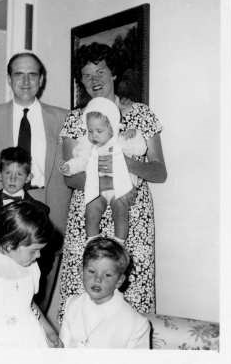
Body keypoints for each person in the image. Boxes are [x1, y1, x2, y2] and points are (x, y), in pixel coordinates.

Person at [58, 42, 167, 321]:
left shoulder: (140, 114)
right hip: (89, 214)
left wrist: (124, 165)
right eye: (86, 75)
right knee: (82, 299)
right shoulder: (75, 119)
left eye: (100, 71)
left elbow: (159, 172)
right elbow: (70, 178)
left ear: (114, 73)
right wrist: (104, 178)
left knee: (132, 299)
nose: (94, 80)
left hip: (132, 215)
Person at [0, 52, 71, 313]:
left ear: (41, 80)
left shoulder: (64, 118)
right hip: (3, 211)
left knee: (38, 293)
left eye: (32, 75)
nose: (25, 81)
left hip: (47, 210)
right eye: (19, 74)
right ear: (9, 79)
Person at [0, 201, 63, 347]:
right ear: (9, 245)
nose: (38, 255)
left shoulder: (28, 266)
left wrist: (48, 330)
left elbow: (28, 302)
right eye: (34, 250)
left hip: (27, 339)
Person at [59, 97, 147, 243]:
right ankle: (92, 239)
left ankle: (119, 242)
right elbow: (81, 161)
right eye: (90, 131)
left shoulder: (121, 141)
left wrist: (135, 135)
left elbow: (141, 149)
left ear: (112, 127)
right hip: (97, 188)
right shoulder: (88, 147)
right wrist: (69, 167)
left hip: (121, 187)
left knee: (121, 211)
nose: (94, 135)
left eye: (99, 131)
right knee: (91, 210)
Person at [59, 237, 150, 348]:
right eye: (92, 271)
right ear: (81, 272)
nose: (98, 279)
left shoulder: (137, 324)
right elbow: (61, 350)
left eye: (107, 275)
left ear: (119, 281)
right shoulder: (72, 304)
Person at [0, 146, 51, 260]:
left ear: (28, 178)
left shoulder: (40, 210)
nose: (12, 179)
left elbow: (45, 254)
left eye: (19, 174)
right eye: (8, 173)